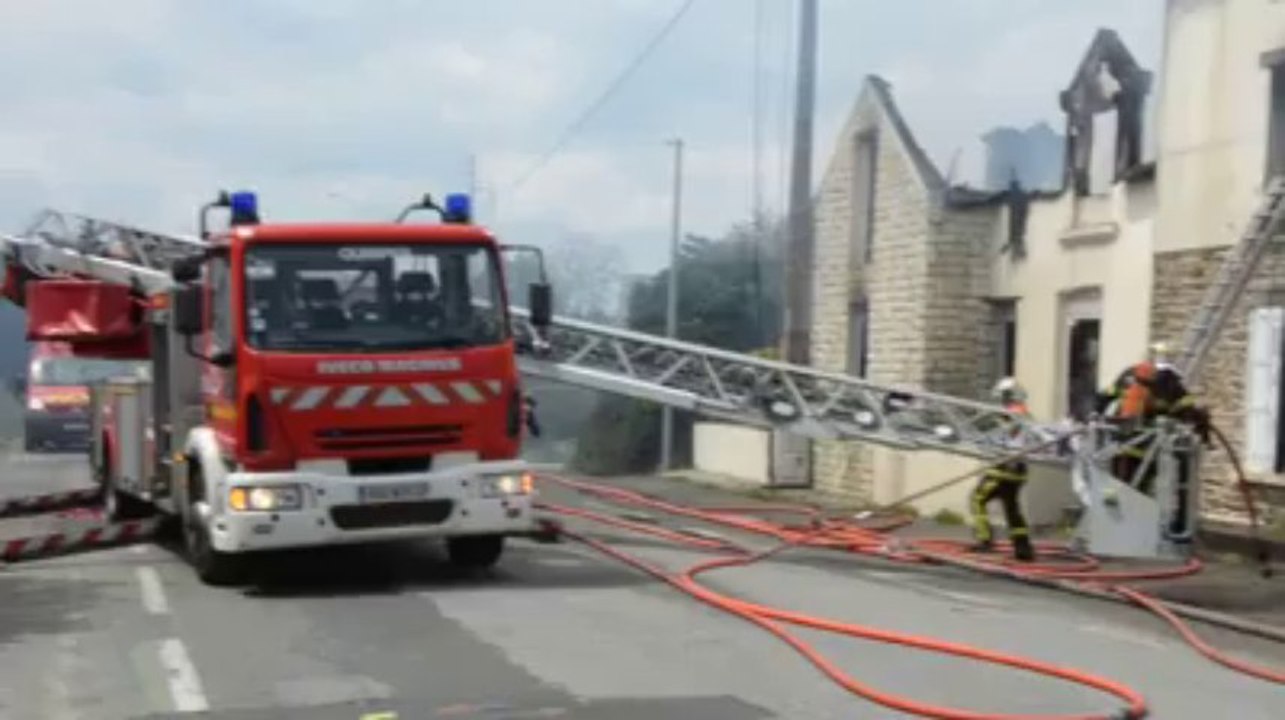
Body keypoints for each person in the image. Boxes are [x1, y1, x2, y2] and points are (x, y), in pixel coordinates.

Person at [970, 378, 1036, 562]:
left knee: (978, 499)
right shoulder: (1024, 414)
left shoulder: (1011, 414)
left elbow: (1002, 435)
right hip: (1018, 470)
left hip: (1004, 467)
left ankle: (985, 540)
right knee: (1012, 508)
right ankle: (1023, 548)